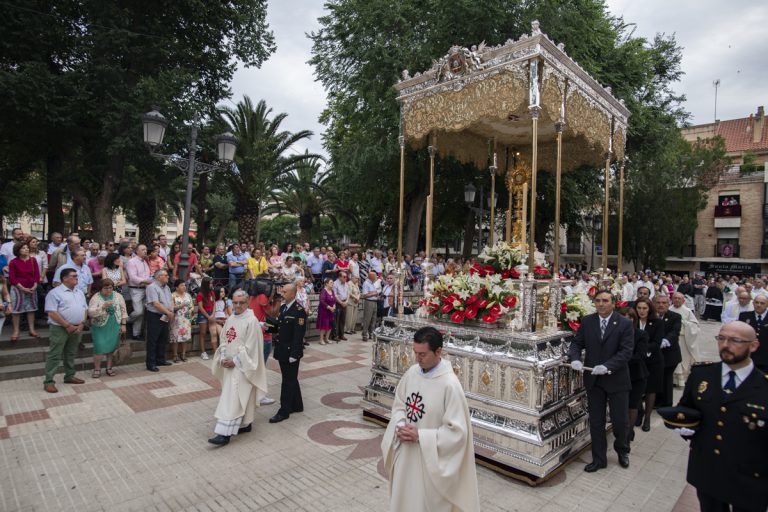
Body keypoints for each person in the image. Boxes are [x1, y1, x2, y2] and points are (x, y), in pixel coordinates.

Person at [381, 326, 480, 512]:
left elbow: (458, 433)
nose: (417, 359)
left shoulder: (449, 385)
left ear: (438, 351)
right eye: (415, 352)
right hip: (405, 455)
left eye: (423, 354)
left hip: (430, 462)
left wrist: (421, 436)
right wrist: (400, 423)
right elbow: (400, 404)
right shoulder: (412, 373)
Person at [676, 321, 768, 512]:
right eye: (721, 338)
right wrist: (685, 429)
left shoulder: (763, 386)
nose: (726, 345)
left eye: (735, 340)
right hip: (709, 471)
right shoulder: (702, 375)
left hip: (750, 478)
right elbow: (686, 411)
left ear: (753, 345)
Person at [569, 289, 634, 471]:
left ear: (613, 303)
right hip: (594, 381)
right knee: (596, 421)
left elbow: (626, 351)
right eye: (598, 300)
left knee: (620, 420)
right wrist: (574, 358)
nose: (601, 304)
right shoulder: (588, 321)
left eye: (605, 300)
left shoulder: (624, 324)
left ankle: (622, 450)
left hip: (616, 379)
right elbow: (577, 343)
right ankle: (599, 459)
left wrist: (608, 366)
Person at [208, 289, 268, 446]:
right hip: (229, 364)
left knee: (233, 398)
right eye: (235, 302)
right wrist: (222, 356)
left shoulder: (252, 321)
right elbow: (224, 340)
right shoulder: (231, 318)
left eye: (241, 303)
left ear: (247, 302)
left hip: (241, 366)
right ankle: (245, 424)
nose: (238, 305)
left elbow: (252, 348)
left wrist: (235, 360)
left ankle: (223, 433)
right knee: (239, 397)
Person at [43, 268, 88, 393]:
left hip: (76, 327)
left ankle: (69, 375)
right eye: (73, 276)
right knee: (55, 354)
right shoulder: (54, 293)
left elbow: (84, 309)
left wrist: (82, 323)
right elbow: (52, 312)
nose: (76, 278)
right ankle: (49, 381)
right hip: (59, 328)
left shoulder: (79, 292)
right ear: (64, 278)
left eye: (77, 276)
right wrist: (67, 325)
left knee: (71, 353)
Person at [267, 282, 307, 424]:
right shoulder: (284, 307)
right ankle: (297, 405)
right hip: (282, 349)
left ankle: (284, 410)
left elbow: (298, 335)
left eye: (284, 292)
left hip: (291, 352)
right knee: (290, 378)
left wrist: (295, 354)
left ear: (292, 294)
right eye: (282, 292)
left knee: (287, 382)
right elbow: (280, 327)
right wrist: (266, 326)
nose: (282, 294)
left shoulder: (299, 310)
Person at [87, 278, 127, 378]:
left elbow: (123, 311)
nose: (109, 290)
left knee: (111, 348)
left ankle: (109, 368)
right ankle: (97, 369)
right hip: (100, 326)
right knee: (99, 348)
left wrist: (123, 324)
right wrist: (103, 307)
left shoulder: (118, 296)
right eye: (106, 288)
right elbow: (90, 313)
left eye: (110, 287)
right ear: (101, 288)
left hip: (114, 324)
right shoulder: (95, 297)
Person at [621, 307, 648, 444]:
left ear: (634, 319)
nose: (627, 320)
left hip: (636, 375)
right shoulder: (617, 333)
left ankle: (628, 433)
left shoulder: (640, 334)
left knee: (632, 405)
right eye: (624, 317)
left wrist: (620, 360)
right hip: (620, 374)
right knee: (622, 405)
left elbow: (640, 355)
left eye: (630, 317)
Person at [8, 241, 41, 341]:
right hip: (18, 289)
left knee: (31, 309)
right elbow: (12, 278)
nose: (26, 249)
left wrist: (35, 285)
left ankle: (31, 329)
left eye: (27, 247)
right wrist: (22, 288)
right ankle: (16, 331)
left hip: (31, 288)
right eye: (23, 248)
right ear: (18, 251)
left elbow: (37, 275)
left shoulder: (33, 260)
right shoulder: (13, 262)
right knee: (16, 310)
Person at [655, 294, 683, 408]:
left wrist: (664, 341)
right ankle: (655, 401)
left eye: (664, 303)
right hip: (654, 354)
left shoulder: (675, 316)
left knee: (666, 379)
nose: (661, 305)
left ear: (668, 304)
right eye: (658, 302)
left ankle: (667, 404)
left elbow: (674, 332)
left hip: (669, 354)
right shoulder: (651, 316)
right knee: (656, 378)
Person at [145, 269, 174, 372]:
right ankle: (151, 363)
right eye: (165, 275)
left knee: (163, 338)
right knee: (153, 340)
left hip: (165, 315)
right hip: (155, 315)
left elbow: (170, 300)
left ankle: (160, 359)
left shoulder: (167, 287)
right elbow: (156, 304)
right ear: (158, 277)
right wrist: (168, 312)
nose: (168, 277)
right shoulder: (152, 287)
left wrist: (171, 310)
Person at [671, 292, 701, 387]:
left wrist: (684, 323)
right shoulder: (669, 309)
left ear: (683, 300)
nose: (677, 300)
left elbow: (695, 325)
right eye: (675, 298)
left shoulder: (687, 311)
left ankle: (681, 380)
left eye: (679, 298)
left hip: (683, 339)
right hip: (671, 339)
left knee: (682, 360)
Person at [124, 245, 152, 340]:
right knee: (138, 311)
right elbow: (133, 277)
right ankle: (126, 320)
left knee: (142, 313)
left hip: (146, 288)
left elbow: (147, 275)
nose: (145, 251)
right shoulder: (131, 262)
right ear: (137, 251)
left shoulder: (145, 261)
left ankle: (136, 334)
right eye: (143, 249)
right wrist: (146, 281)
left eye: (146, 249)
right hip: (136, 289)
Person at [739, 294, 768, 373]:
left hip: (765, 359)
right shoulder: (744, 316)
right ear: (753, 303)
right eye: (757, 302)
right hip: (748, 357)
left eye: (762, 303)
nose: (759, 305)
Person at [170, 279, 195, 363]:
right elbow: (171, 307)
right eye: (182, 285)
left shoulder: (188, 295)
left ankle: (183, 354)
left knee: (185, 337)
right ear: (177, 287)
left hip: (186, 319)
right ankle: (175, 355)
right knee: (175, 337)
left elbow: (192, 306)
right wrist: (181, 305)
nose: (184, 287)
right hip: (177, 319)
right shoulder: (173, 295)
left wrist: (190, 310)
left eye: (184, 285)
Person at [196, 277, 217, 361]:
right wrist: (208, 317)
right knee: (203, 333)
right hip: (203, 315)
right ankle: (203, 352)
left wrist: (212, 314)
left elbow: (214, 304)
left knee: (213, 332)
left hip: (211, 314)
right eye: (210, 283)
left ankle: (215, 351)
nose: (212, 285)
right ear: (206, 284)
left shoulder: (212, 293)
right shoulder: (200, 294)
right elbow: (200, 307)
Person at [361, 271, 381, 341]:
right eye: (375, 276)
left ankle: (371, 333)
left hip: (375, 301)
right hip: (369, 302)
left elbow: (377, 292)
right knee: (367, 319)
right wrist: (374, 294)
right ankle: (364, 334)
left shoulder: (373, 283)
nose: (376, 277)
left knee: (373, 319)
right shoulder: (366, 283)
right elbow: (365, 295)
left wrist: (373, 293)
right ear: (371, 276)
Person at [316, 278, 336, 345]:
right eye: (331, 282)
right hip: (324, 311)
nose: (332, 284)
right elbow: (322, 301)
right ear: (326, 283)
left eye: (332, 283)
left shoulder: (332, 291)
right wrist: (329, 307)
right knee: (324, 325)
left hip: (331, 311)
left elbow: (334, 300)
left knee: (330, 325)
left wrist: (334, 306)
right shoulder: (323, 291)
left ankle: (327, 338)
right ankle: (321, 339)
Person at [332, 271, 349, 341]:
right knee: (336, 319)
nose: (346, 278)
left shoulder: (346, 284)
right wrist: (341, 302)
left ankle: (341, 334)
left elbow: (348, 293)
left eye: (346, 277)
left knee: (343, 319)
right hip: (338, 303)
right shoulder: (335, 284)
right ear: (339, 277)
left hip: (345, 302)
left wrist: (347, 301)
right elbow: (335, 295)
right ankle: (335, 335)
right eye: (344, 277)